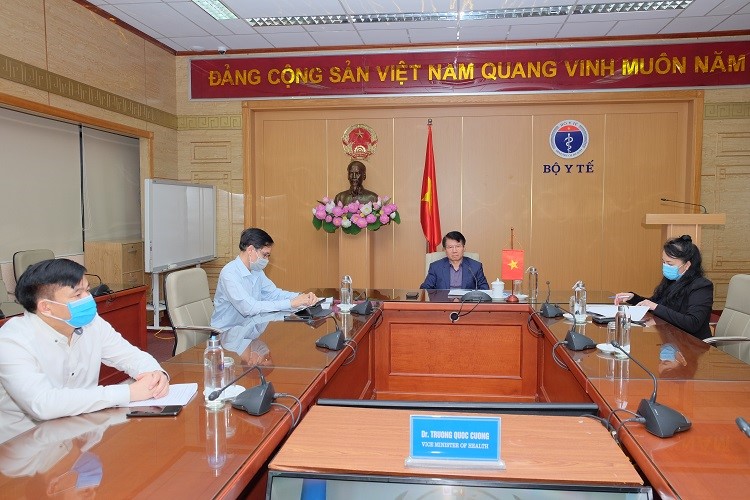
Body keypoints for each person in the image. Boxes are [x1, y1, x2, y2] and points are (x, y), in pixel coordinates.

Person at [0, 259, 169, 445]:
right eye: (77, 294)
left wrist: (155, 374)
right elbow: (43, 404)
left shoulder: (92, 323)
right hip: (27, 445)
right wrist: (128, 392)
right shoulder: (11, 341)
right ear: (46, 307)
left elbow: (130, 356)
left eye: (87, 290)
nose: (88, 299)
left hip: (81, 430)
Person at [211, 227, 319, 330]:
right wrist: (291, 303)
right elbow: (249, 308)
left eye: (268, 256)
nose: (266, 260)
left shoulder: (256, 270)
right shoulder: (230, 273)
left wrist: (301, 297)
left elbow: (274, 294)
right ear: (250, 250)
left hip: (248, 329)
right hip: (226, 333)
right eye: (264, 255)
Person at [614, 234, 713, 340]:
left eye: (670, 264)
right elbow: (656, 304)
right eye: (664, 262)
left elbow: (692, 323)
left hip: (693, 343)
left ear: (687, 265)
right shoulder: (671, 281)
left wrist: (655, 306)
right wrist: (633, 298)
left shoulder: (701, 286)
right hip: (672, 338)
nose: (665, 266)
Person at [420, 231, 489, 290]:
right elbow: (425, 289)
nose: (454, 251)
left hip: (467, 301)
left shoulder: (475, 266)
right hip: (443, 301)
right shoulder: (435, 267)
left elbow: (484, 289)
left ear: (464, 248)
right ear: (444, 250)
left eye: (458, 246)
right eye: (450, 247)